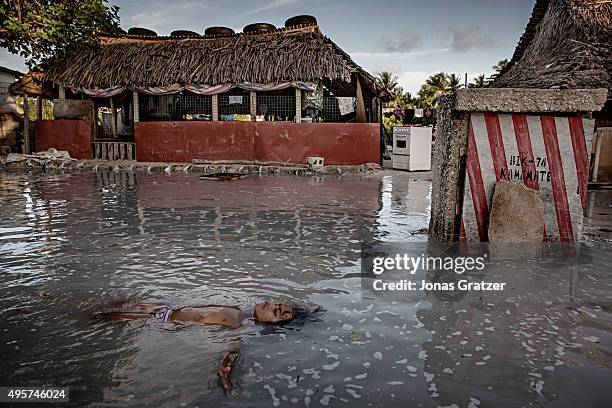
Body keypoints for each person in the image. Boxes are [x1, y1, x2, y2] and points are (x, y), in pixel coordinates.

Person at [96, 300, 298, 393]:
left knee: (98, 318)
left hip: (159, 321)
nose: (272, 305)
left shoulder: (241, 326)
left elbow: (233, 349)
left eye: (278, 312)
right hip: (163, 308)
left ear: (272, 324)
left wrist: (225, 371)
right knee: (116, 304)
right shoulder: (240, 311)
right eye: (277, 304)